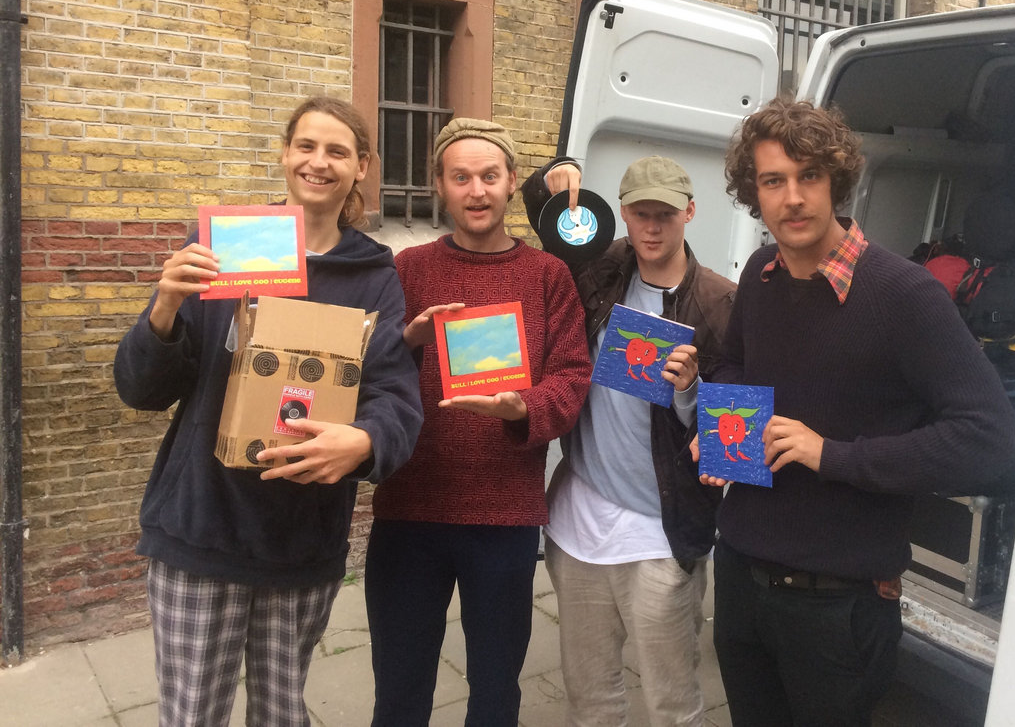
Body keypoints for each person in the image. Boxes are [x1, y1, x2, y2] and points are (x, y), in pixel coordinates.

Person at [700, 98, 1015, 726]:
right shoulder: (761, 273)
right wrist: (722, 428)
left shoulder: (905, 295)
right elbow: (732, 364)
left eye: (809, 176)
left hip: (837, 607)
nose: (793, 198)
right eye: (773, 181)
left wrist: (833, 455)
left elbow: (989, 439)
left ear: (837, 180)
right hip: (739, 576)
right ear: (753, 193)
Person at [113, 96, 424, 727]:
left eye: (337, 151)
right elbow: (141, 390)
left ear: (361, 167)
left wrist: (366, 442)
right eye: (306, 146)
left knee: (281, 713)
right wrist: (164, 309)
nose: (318, 162)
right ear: (285, 154)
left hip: (300, 540)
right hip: (201, 525)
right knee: (192, 715)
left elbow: (394, 394)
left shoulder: (372, 275)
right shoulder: (223, 247)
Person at [366, 118, 592, 727]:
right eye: (461, 177)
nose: (476, 191)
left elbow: (573, 377)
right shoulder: (409, 268)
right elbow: (365, 372)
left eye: (489, 176)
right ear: (440, 185)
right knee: (399, 691)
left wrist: (524, 409)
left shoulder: (547, 275)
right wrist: (407, 342)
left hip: (504, 517)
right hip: (411, 508)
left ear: (512, 182)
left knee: (495, 691)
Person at [522, 155, 735, 727]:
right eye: (641, 213)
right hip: (579, 523)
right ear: (622, 213)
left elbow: (730, 429)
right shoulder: (600, 268)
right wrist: (555, 174)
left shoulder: (719, 302)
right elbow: (545, 216)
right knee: (590, 698)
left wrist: (689, 391)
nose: (653, 227)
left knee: (673, 704)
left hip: (661, 534)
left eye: (666, 214)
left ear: (690, 212)